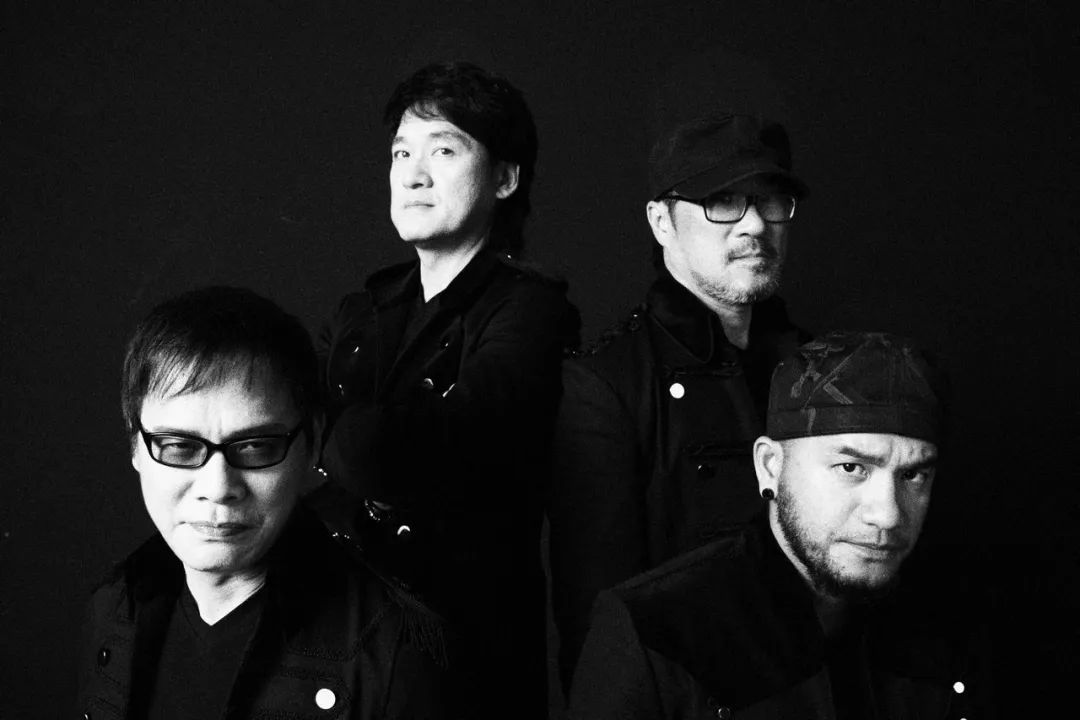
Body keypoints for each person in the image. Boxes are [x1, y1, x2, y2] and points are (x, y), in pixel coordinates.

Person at [316, 61, 579, 716]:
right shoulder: (363, 309)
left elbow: (407, 450)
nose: (412, 174)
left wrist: (334, 442)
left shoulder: (531, 311)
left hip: (465, 661)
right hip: (341, 644)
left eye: (443, 150)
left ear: (505, 178)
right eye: (401, 153)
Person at [568, 331, 993, 718]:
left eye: (913, 475)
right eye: (851, 467)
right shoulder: (656, 631)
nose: (888, 514)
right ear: (770, 466)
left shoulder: (955, 617)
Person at [77, 287, 447, 720]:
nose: (218, 488)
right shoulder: (111, 608)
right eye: (179, 447)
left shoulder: (397, 653)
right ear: (135, 447)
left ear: (312, 444)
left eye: (255, 447)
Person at [549, 112, 809, 685]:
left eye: (770, 200)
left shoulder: (815, 370)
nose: (754, 225)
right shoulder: (604, 386)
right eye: (722, 201)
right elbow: (596, 630)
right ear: (661, 221)